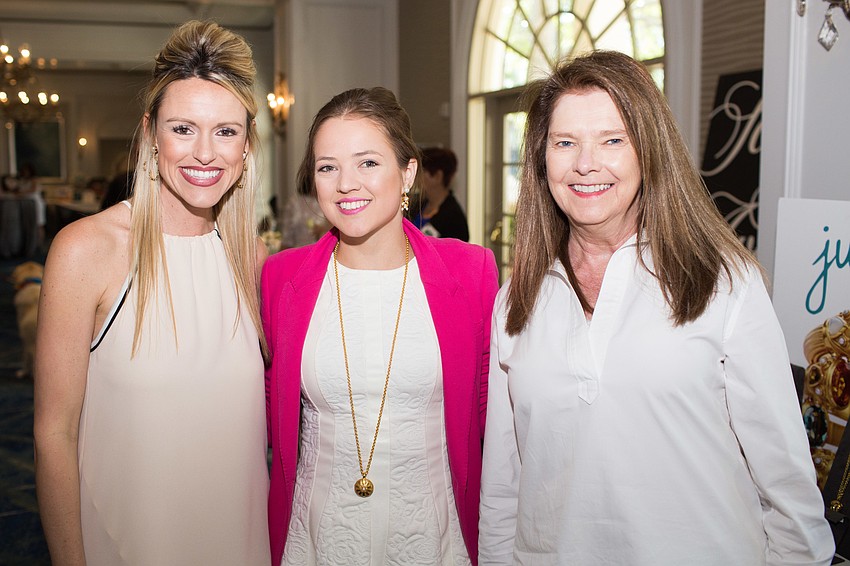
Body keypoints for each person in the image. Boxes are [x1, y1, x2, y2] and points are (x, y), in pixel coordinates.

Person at [478, 50, 834, 565]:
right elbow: (503, 485)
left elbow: (787, 482)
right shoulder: (517, 299)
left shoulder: (724, 282)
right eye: (564, 143)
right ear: (541, 159)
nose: (585, 163)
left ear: (650, 149)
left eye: (612, 140)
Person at [33, 20, 270, 565]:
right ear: (150, 132)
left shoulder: (252, 260)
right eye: (183, 129)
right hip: (126, 542)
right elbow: (53, 435)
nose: (205, 154)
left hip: (239, 542)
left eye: (226, 131)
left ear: (247, 142)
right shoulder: (86, 250)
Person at [262, 87, 498, 565]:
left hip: (433, 536)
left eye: (367, 162)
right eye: (328, 167)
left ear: (408, 171)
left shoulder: (471, 273)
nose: (346, 183)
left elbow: (493, 421)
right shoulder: (280, 277)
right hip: (316, 536)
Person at [411, 146, 469, 241]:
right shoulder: (417, 205)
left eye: (421, 171)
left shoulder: (454, 217)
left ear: (438, 176)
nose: (416, 177)